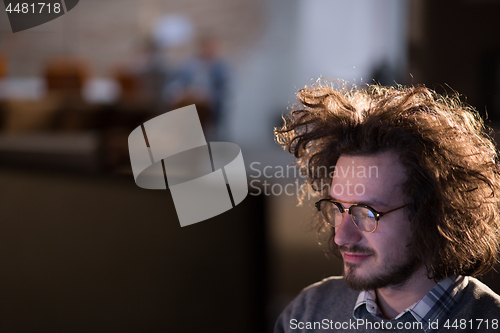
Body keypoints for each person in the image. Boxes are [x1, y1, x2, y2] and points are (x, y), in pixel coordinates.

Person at [274, 81, 500, 332]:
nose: (341, 236)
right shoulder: (310, 313)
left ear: (433, 214)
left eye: (367, 213)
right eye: (338, 208)